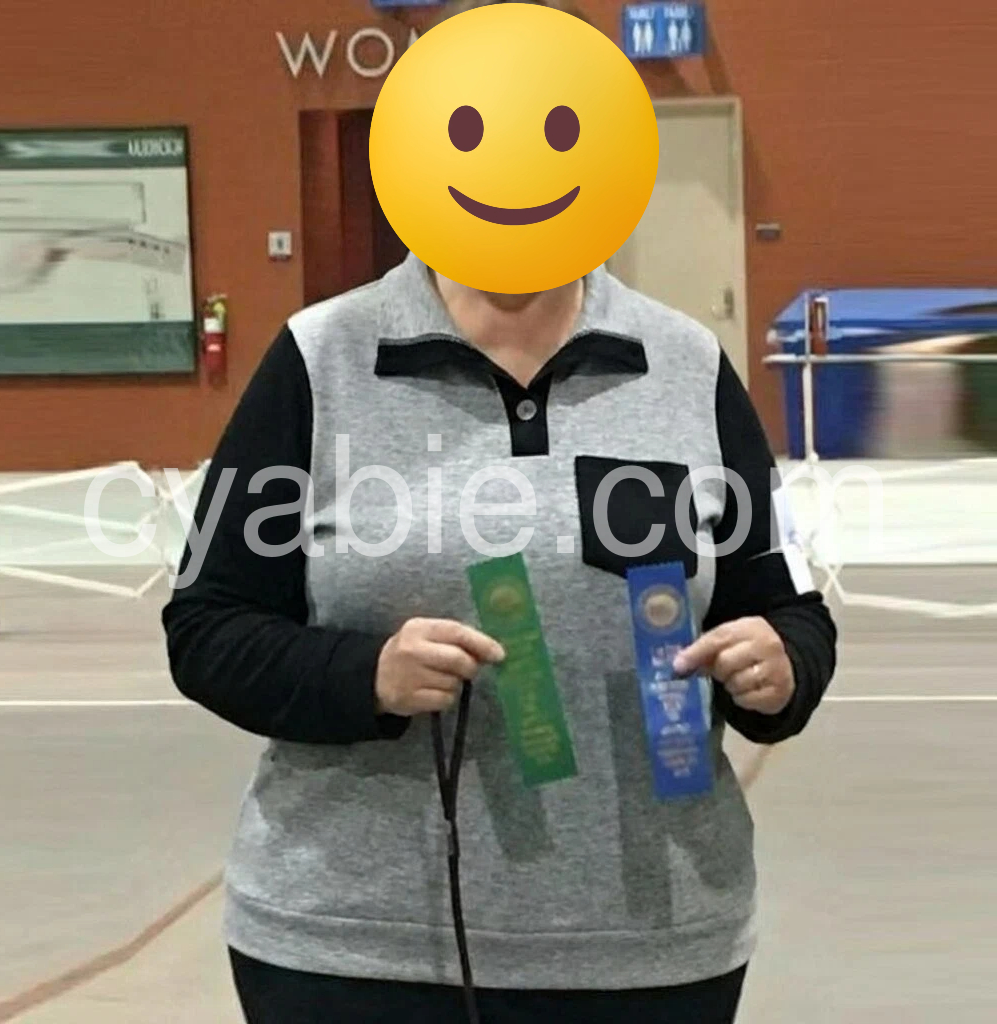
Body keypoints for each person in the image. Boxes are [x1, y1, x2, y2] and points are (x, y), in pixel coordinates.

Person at [162, 4, 837, 1022]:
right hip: (353, 948)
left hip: (651, 947)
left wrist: (780, 667)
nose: (515, 173)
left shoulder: (687, 366)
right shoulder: (319, 359)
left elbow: (784, 606)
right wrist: (364, 675)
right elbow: (206, 625)